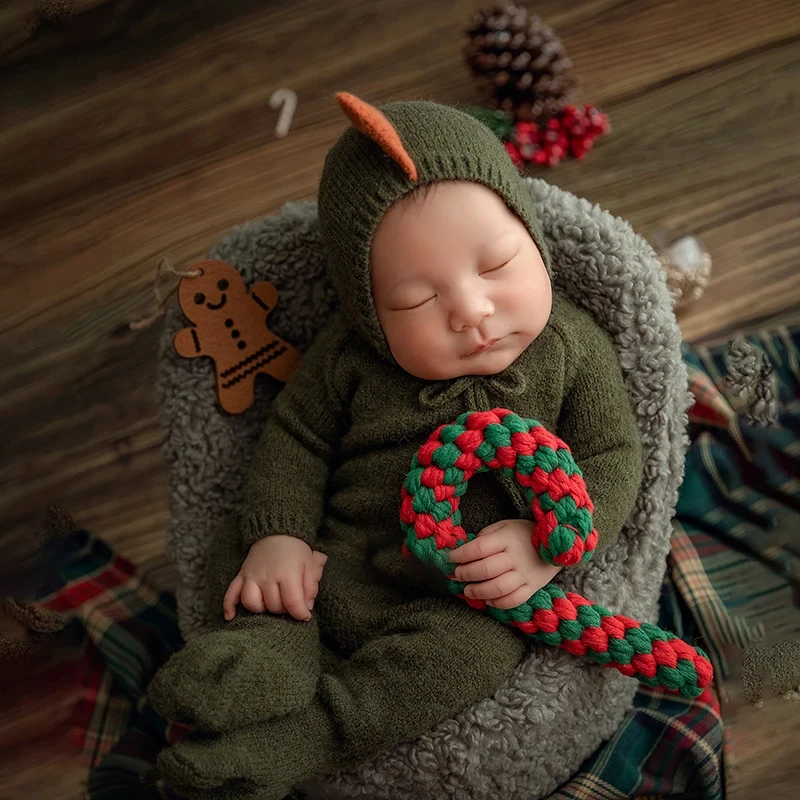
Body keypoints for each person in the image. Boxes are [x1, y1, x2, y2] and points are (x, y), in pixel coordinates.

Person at [146, 92, 643, 800]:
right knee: (248, 554)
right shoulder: (347, 358)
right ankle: (262, 658)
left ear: (533, 238)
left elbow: (615, 455)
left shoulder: (571, 349)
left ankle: (312, 734)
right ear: (370, 312)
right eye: (414, 301)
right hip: (328, 564)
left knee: (477, 652)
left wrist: (547, 543)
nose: (471, 312)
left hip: (458, 598)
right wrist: (279, 536)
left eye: (497, 265)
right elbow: (295, 438)